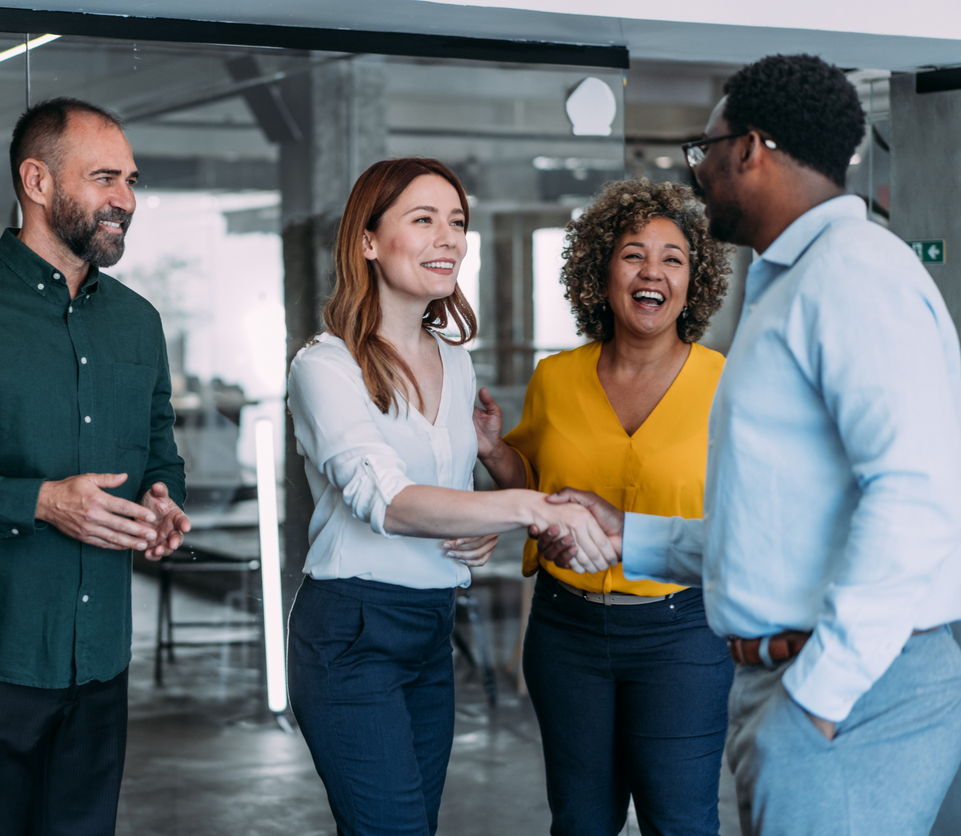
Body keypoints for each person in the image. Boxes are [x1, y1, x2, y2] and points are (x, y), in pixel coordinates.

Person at [538, 54, 961, 836]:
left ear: (751, 150)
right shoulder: (791, 281)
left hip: (850, 688)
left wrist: (815, 699)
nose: (701, 175)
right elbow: (781, 524)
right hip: (807, 678)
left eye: (707, 151)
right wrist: (634, 534)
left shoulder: (854, 277)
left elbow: (917, 496)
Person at [0, 97, 190, 834]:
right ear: (37, 182)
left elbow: (159, 446)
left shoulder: (138, 320)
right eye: (105, 177)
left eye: (132, 180)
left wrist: (163, 498)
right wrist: (41, 502)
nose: (127, 200)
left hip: (102, 662)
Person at [286, 157, 618, 836]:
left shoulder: (458, 363)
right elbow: (390, 501)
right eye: (423, 219)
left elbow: (445, 501)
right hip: (352, 632)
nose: (449, 238)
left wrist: (481, 525)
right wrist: (526, 509)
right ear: (368, 241)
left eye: (457, 222)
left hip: (433, 628)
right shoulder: (325, 366)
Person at [475, 178, 733, 836]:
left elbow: (751, 518)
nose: (653, 272)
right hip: (567, 635)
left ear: (693, 281)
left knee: (680, 822)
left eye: (672, 258)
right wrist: (491, 451)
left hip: (682, 634)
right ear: (601, 270)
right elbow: (534, 480)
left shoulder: (727, 384)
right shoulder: (555, 378)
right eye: (633, 254)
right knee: (581, 822)